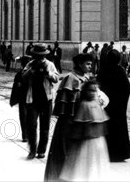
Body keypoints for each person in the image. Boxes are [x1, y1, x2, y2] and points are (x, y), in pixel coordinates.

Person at [44, 53, 93, 181]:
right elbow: (63, 103)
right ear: (79, 64)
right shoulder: (70, 78)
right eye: (87, 64)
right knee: (65, 152)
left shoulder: (87, 78)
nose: (90, 66)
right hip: (69, 122)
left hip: (82, 122)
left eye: (91, 64)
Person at [58, 80, 111, 181]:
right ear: (85, 91)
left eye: (94, 91)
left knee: (97, 161)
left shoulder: (97, 104)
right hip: (86, 140)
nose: (92, 93)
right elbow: (79, 124)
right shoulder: (84, 105)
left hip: (98, 140)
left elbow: (102, 120)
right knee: (84, 161)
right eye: (90, 90)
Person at [22, 44, 59, 159]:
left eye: (42, 56)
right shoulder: (30, 64)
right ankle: (32, 150)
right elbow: (23, 77)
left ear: (45, 55)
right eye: (37, 56)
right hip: (32, 99)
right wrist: (31, 71)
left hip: (46, 99)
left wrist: (48, 73)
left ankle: (41, 150)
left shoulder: (50, 64)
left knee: (45, 127)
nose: (40, 58)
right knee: (31, 125)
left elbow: (57, 78)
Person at [97, 50, 130, 162]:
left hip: (106, 105)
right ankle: (120, 154)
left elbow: (98, 87)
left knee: (106, 128)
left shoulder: (102, 70)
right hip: (118, 106)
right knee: (119, 129)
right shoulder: (120, 70)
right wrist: (121, 100)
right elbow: (127, 88)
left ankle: (106, 153)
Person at [10, 56, 32, 143]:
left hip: (30, 98)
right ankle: (25, 136)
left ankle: (27, 135)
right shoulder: (19, 74)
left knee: (28, 117)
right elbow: (16, 87)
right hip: (23, 98)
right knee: (24, 116)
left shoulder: (32, 73)